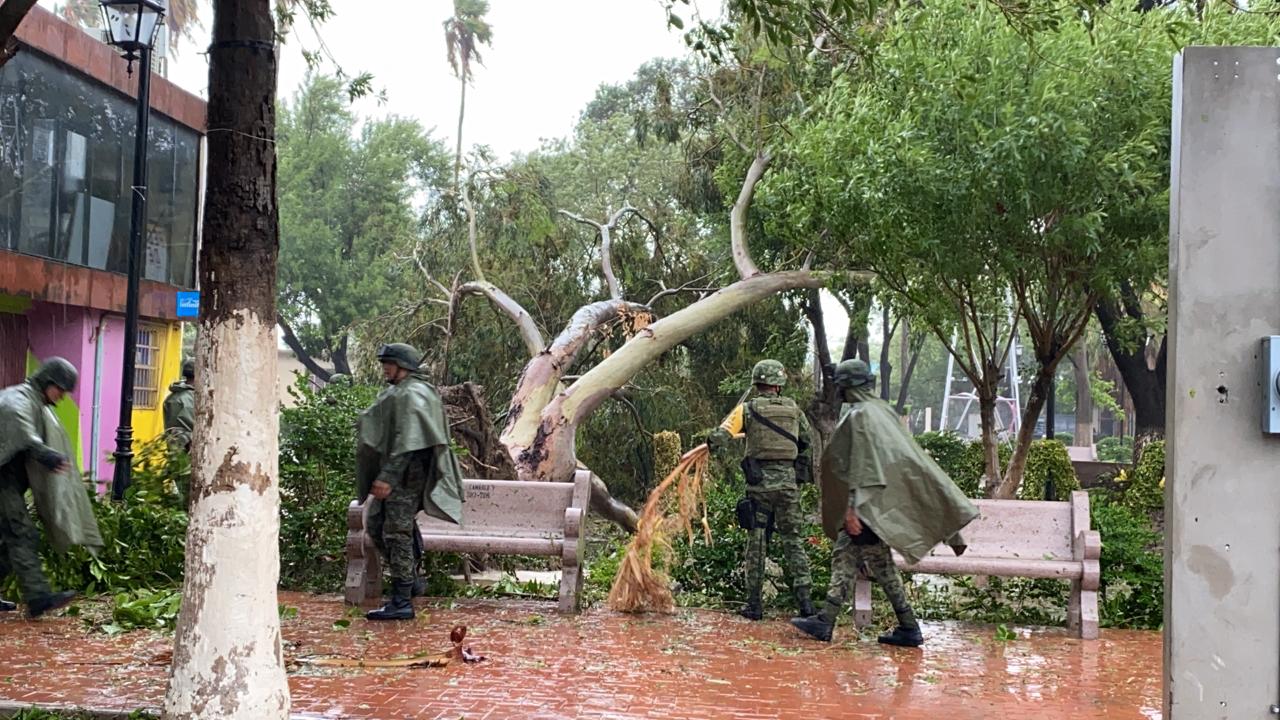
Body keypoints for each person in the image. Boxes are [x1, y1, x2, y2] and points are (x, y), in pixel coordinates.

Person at [791, 359, 977, 647]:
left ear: (847, 387)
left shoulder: (861, 415)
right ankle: (894, 625)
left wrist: (852, 508)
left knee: (859, 559)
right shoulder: (881, 411)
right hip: (877, 505)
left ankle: (833, 621)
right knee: (867, 561)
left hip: (868, 507)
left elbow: (863, 465)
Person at [355, 343, 464, 621]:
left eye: (389, 363)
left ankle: (402, 600)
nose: (385, 368)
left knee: (396, 533)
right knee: (377, 525)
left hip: (406, 477)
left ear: (404, 365)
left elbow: (409, 442)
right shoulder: (402, 391)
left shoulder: (414, 393)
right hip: (397, 476)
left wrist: (387, 478)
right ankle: (412, 580)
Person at [708, 359, 815, 621]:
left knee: (756, 544)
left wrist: (710, 441)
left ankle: (754, 606)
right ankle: (807, 606)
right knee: (794, 542)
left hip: (759, 488)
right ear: (779, 385)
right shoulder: (794, 410)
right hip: (788, 487)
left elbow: (720, 437)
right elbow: (808, 443)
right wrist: (796, 477)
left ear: (757, 384)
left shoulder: (746, 409)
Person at [0, 358, 103, 617]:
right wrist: (45, 454)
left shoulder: (34, 401)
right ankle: (38, 598)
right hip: (2, 480)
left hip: (7, 480)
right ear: (48, 382)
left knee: (8, 541)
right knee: (21, 534)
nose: (61, 397)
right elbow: (19, 425)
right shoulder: (19, 399)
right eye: (60, 390)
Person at [162, 359, 196, 506]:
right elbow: (179, 432)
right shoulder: (184, 399)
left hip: (181, 455)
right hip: (187, 456)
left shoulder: (176, 397)